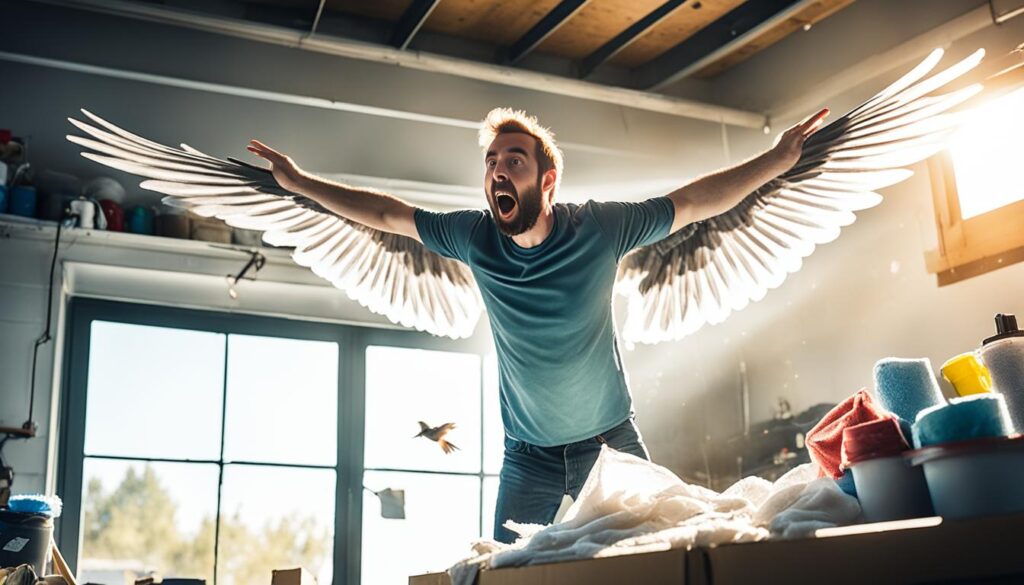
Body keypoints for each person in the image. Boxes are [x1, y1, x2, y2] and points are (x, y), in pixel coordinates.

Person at [246, 106, 829, 543]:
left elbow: (697, 203)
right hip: (528, 458)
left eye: (514, 161)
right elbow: (384, 214)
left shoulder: (600, 228)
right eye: (491, 163)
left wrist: (778, 160)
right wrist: (299, 183)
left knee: (657, 556)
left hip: (611, 443)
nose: (498, 172)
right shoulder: (475, 237)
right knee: (505, 573)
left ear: (547, 182)